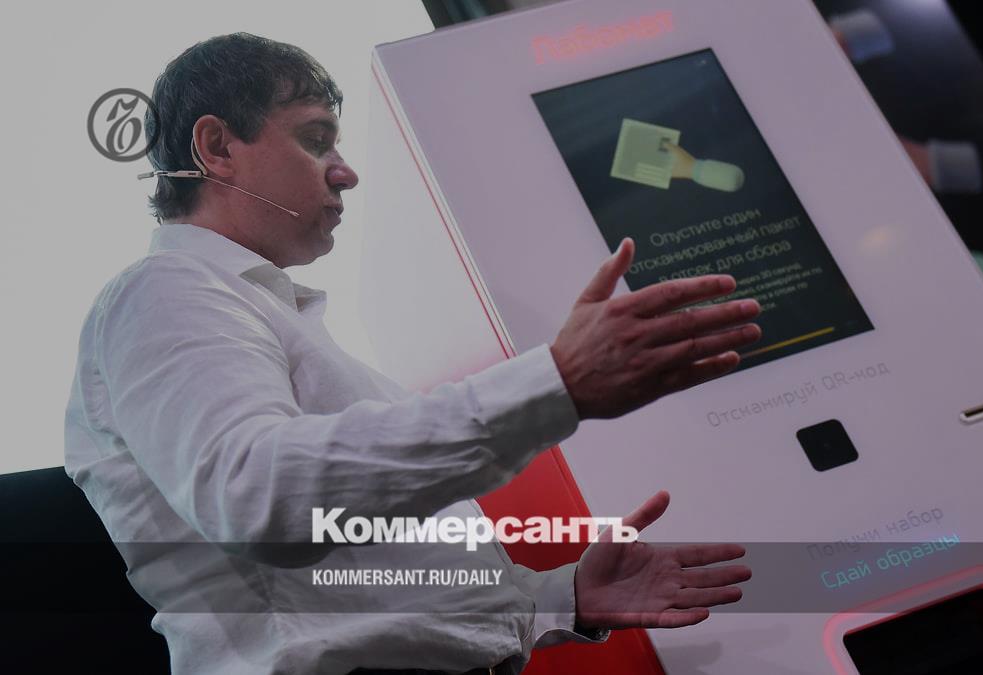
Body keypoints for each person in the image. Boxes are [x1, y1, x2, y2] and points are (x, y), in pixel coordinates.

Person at [64, 33, 762, 675]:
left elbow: (381, 594)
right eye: (315, 140)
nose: (345, 174)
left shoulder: (268, 318)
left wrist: (562, 597)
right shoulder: (162, 291)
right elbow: (256, 497)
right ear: (217, 147)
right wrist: (557, 383)